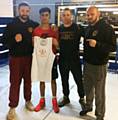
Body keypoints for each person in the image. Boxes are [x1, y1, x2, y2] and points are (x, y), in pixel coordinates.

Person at [2, 2, 39, 120]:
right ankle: (12, 108)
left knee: (28, 81)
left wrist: (53, 27)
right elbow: (3, 41)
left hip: (29, 57)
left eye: (27, 11)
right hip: (15, 58)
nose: (25, 13)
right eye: (23, 11)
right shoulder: (11, 25)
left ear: (29, 11)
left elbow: (43, 30)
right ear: (19, 11)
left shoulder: (33, 24)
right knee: (15, 83)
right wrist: (14, 39)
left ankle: (28, 101)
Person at [79, 6, 116, 120]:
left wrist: (98, 44)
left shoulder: (107, 28)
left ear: (98, 14)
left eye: (92, 14)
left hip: (99, 66)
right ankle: (88, 106)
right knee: (88, 88)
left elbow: (113, 47)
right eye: (88, 14)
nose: (89, 16)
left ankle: (100, 114)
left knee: (99, 92)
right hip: (87, 63)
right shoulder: (88, 28)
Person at [32, 7, 59, 113]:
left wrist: (56, 44)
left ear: (49, 16)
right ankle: (42, 100)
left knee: (53, 80)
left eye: (46, 15)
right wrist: (35, 43)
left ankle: (54, 100)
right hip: (40, 59)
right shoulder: (36, 30)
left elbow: (58, 46)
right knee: (41, 79)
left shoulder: (54, 29)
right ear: (40, 16)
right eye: (42, 15)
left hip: (51, 59)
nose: (44, 17)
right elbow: (34, 46)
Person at [58, 8, 85, 110]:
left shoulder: (78, 28)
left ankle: (82, 98)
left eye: (68, 15)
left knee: (79, 80)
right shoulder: (59, 29)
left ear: (72, 17)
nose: (66, 17)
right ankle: (66, 97)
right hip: (63, 59)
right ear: (61, 17)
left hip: (75, 59)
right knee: (64, 80)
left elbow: (88, 36)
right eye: (64, 15)